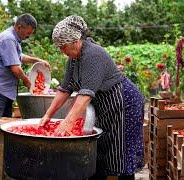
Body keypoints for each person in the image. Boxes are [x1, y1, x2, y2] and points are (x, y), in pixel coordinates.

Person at [40, 15, 144, 180]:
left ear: (75, 41)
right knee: (102, 148)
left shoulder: (92, 54)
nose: (62, 51)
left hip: (125, 103)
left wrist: (67, 123)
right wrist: (47, 115)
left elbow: (85, 95)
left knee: (121, 153)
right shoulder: (73, 60)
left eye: (63, 46)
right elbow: (65, 89)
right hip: (107, 104)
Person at [0, 13, 50, 175]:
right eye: (28, 32)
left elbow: (19, 57)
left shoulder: (13, 39)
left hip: (4, 90)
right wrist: (29, 83)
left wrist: (36, 60)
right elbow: (15, 68)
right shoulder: (8, 39)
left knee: (2, 127)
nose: (29, 35)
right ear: (19, 27)